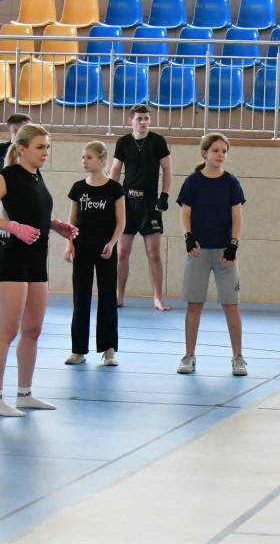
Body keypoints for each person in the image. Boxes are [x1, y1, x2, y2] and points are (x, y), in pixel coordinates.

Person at [0, 124, 78, 417]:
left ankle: (25, 393)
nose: (46, 153)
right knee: (7, 330)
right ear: (22, 149)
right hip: (14, 259)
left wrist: (55, 225)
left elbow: (35, 212)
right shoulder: (5, 176)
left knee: (33, 330)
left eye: (47, 147)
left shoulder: (36, 177)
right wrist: (11, 226)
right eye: (40, 147)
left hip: (37, 260)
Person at [176, 133, 247, 376]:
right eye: (216, 150)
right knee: (194, 303)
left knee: (231, 304)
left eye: (224, 151)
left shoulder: (231, 183)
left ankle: (238, 357)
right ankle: (189, 355)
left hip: (224, 252)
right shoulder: (193, 181)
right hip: (198, 250)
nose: (220, 155)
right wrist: (187, 237)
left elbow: (237, 217)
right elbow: (185, 213)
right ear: (205, 153)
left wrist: (233, 244)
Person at [63, 141, 125, 367]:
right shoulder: (78, 188)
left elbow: (121, 221)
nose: (84, 161)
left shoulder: (114, 189)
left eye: (89, 157)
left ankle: (109, 349)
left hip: (106, 249)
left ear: (102, 160)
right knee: (81, 297)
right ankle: (78, 350)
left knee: (108, 296)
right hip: (82, 247)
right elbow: (71, 220)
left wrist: (112, 242)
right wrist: (70, 243)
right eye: (83, 157)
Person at [109, 104, 173, 311]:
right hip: (128, 203)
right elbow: (116, 169)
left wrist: (164, 195)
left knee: (153, 253)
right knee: (122, 253)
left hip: (150, 204)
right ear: (131, 121)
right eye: (139, 118)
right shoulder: (123, 143)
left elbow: (167, 169)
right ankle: (119, 295)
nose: (143, 122)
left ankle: (157, 298)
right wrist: (111, 196)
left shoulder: (157, 142)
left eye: (146, 118)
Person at [0, 113, 32, 314]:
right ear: (15, 131)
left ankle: (25, 295)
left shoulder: (29, 152)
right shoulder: (0, 150)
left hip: (22, 211)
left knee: (24, 253)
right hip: (4, 210)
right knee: (1, 252)